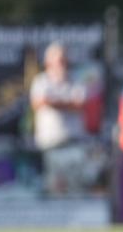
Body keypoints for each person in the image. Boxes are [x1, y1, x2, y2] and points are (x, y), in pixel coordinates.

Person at [29, 42, 89, 195]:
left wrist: (52, 102)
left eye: (64, 59)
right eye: (58, 60)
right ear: (48, 62)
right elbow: (39, 103)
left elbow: (79, 105)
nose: (62, 63)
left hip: (73, 139)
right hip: (49, 141)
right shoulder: (41, 81)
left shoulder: (76, 79)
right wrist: (65, 102)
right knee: (53, 183)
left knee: (74, 183)